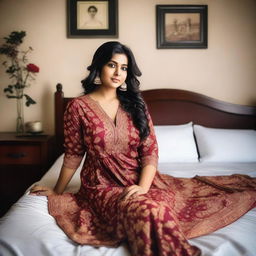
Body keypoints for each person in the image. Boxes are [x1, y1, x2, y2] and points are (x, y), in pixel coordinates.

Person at [30, 41, 256, 256]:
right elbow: (73, 153)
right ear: (99, 66)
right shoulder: (77, 107)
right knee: (148, 211)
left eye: (124, 68)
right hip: (101, 186)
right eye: (112, 65)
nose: (118, 73)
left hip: (143, 181)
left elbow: (150, 151)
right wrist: (58, 191)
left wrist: (142, 186)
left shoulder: (135, 105)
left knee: (162, 206)